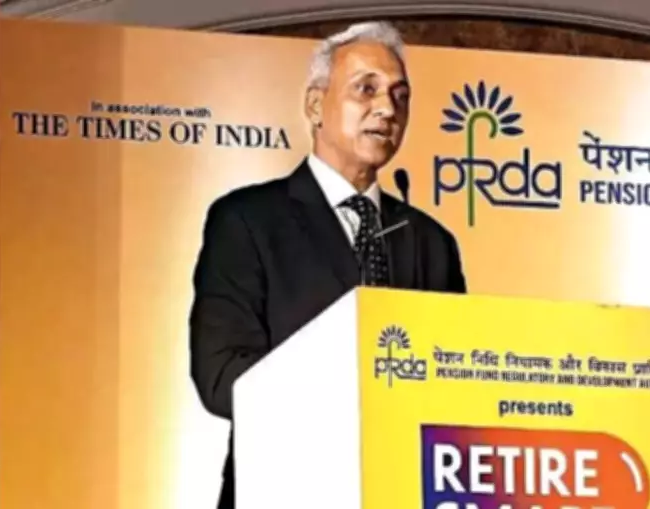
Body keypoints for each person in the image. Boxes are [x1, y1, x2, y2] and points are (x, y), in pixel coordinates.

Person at [188, 21, 466, 508]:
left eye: (400, 96)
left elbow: (457, 383)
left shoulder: (432, 242)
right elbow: (222, 376)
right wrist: (357, 392)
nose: (387, 109)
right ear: (315, 106)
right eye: (367, 89)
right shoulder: (247, 221)